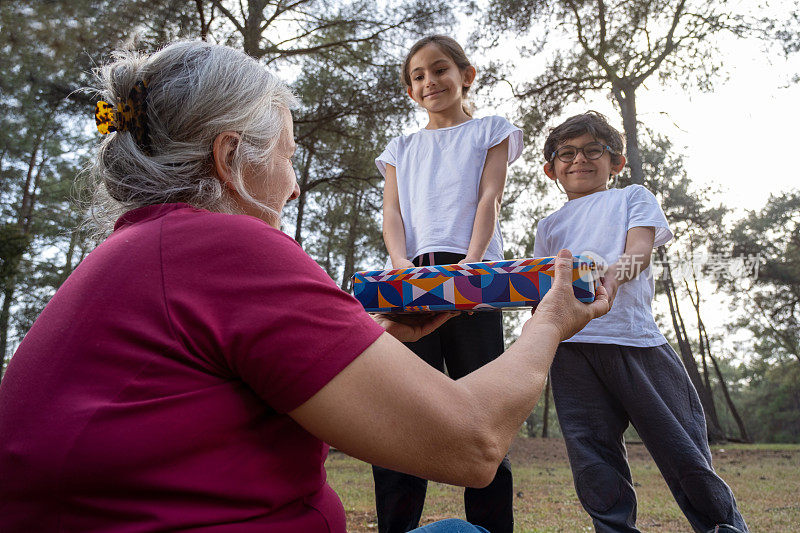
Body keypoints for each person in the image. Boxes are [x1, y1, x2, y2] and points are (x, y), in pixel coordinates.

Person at [0, 41, 609, 533]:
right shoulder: (227, 248)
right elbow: (474, 445)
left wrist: (376, 334)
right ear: (230, 158)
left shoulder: (134, 252)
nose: (294, 189)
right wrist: (550, 321)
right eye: (290, 158)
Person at [533, 111, 749, 533]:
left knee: (682, 448)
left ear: (616, 162)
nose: (580, 159)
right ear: (551, 169)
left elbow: (639, 252)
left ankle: (724, 527)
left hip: (633, 340)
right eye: (567, 153)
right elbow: (543, 283)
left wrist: (609, 283)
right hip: (573, 350)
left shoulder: (632, 197)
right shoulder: (549, 225)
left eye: (594, 150)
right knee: (592, 457)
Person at [375, 35, 524, 533]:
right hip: (413, 282)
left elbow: (489, 199)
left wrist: (474, 264)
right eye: (417, 76)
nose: (428, 82)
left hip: (475, 281)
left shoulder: (491, 130)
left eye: (439, 70)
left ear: (467, 74)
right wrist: (400, 264)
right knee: (402, 417)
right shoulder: (401, 147)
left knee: (481, 414)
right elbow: (392, 212)